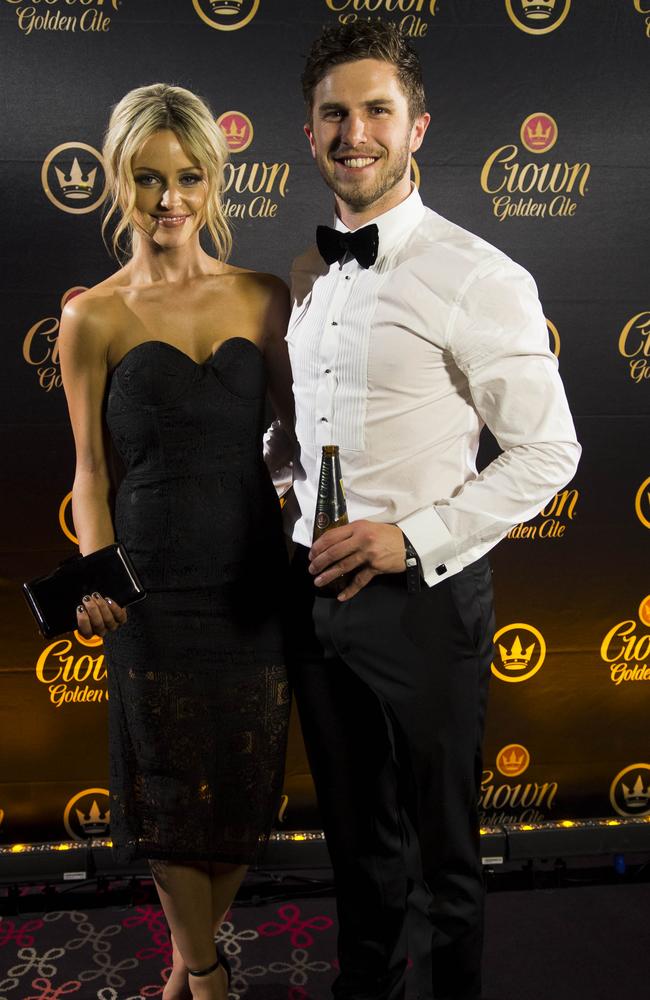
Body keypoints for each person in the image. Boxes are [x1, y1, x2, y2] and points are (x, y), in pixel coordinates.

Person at [271, 21, 581, 1000]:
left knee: (442, 857)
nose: (353, 130)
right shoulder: (307, 272)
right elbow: (303, 431)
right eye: (334, 112)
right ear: (308, 131)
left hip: (425, 601)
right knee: (357, 851)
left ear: (416, 129)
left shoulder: (477, 275)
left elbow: (547, 450)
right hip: (312, 594)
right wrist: (282, 485)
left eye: (375, 110)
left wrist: (409, 537)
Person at [59, 83, 293, 1000]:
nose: (170, 199)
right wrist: (97, 571)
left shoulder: (264, 297)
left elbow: (304, 441)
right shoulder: (94, 317)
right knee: (165, 798)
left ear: (214, 178)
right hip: (149, 591)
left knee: (244, 791)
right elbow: (89, 470)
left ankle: (186, 964)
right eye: (149, 178)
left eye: (189, 176)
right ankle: (207, 975)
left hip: (252, 583)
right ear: (119, 179)